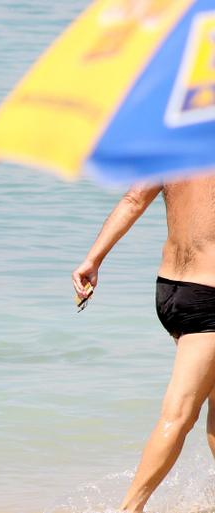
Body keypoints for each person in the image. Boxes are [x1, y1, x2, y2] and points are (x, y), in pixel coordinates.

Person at [72, 175, 215, 512]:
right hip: (209, 297)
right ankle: (129, 508)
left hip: (171, 291)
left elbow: (134, 200)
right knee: (179, 414)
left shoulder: (170, 145)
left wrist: (93, 260)